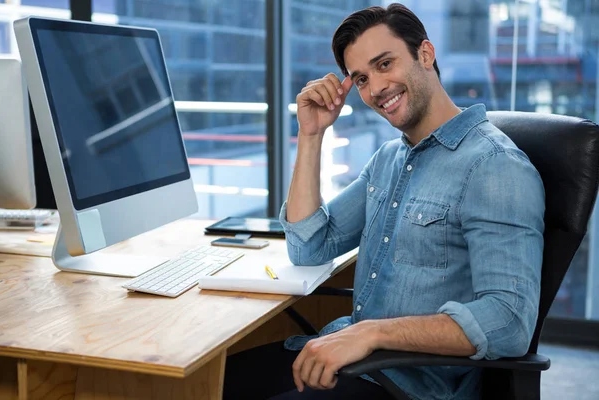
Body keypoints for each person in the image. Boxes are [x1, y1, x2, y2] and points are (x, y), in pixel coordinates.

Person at [223, 3, 545, 400]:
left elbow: (509, 322)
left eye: (385, 64)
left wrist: (371, 333)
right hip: (354, 362)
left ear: (425, 54)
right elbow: (308, 247)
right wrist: (311, 135)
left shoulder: (494, 166)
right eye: (360, 78)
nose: (375, 89)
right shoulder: (389, 159)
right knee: (205, 383)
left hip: (409, 386)